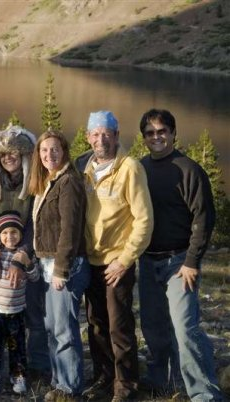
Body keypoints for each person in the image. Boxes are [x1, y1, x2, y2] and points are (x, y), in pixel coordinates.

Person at [138, 109, 223, 401]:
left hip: (179, 262)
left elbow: (204, 218)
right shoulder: (140, 169)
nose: (156, 137)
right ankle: (163, 380)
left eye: (162, 131)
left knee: (185, 327)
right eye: (150, 133)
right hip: (147, 260)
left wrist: (191, 262)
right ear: (144, 137)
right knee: (153, 326)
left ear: (173, 133)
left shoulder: (189, 169)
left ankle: (204, 393)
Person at [81, 111, 153, 402]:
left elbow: (144, 220)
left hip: (116, 262)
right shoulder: (84, 168)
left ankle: (126, 385)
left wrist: (124, 260)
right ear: (88, 137)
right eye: (95, 134)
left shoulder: (130, 168)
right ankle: (104, 377)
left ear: (116, 135)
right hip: (90, 260)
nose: (101, 139)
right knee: (96, 323)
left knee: (119, 326)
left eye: (107, 133)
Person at [0, 124, 50, 379]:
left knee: (33, 310)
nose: (8, 157)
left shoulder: (34, 180)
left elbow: (35, 221)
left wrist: (22, 259)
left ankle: (37, 364)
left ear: (23, 154)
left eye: (14, 152)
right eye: (4, 154)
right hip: (0, 253)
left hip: (26, 252)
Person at [29, 130, 90, 401]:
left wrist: (62, 269)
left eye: (54, 149)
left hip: (66, 266)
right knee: (52, 327)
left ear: (64, 151)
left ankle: (70, 387)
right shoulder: (48, 181)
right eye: (44, 150)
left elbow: (70, 230)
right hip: (47, 264)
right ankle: (59, 380)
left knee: (64, 329)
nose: (49, 155)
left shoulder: (69, 182)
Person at [0, 211, 39, 396]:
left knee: (17, 346)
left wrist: (28, 263)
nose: (10, 237)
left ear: (21, 234)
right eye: (5, 233)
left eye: (14, 232)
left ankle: (18, 376)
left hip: (16, 310)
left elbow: (35, 277)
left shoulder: (23, 256)